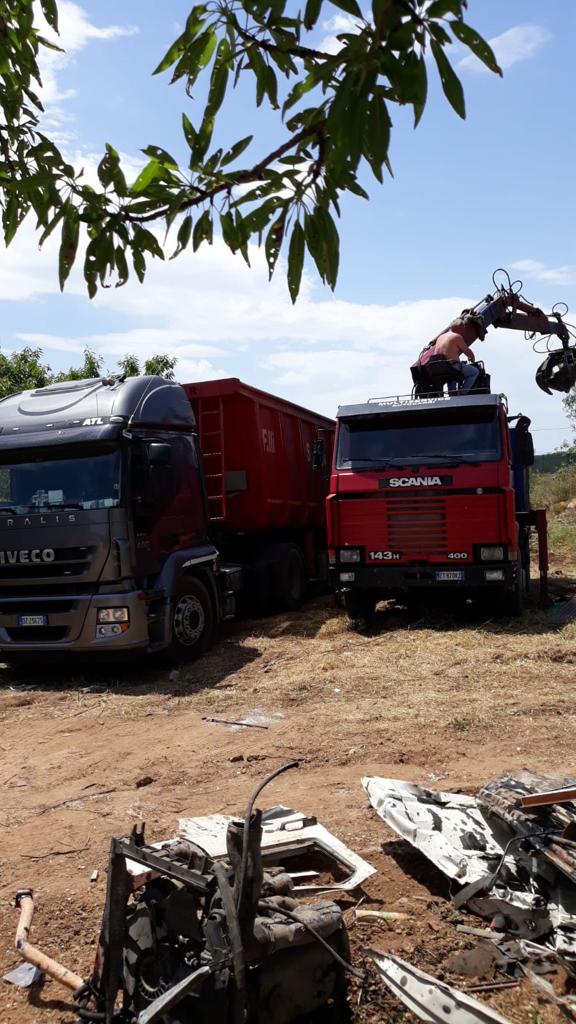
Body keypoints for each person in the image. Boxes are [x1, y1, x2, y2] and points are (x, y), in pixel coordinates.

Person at [414, 312, 486, 395]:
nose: (463, 330)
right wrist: (472, 358)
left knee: (451, 375)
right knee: (474, 372)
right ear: (458, 327)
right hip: (451, 367)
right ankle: (462, 394)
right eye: (462, 328)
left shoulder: (440, 337)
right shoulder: (456, 336)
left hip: (439, 368)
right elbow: (467, 351)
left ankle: (452, 395)